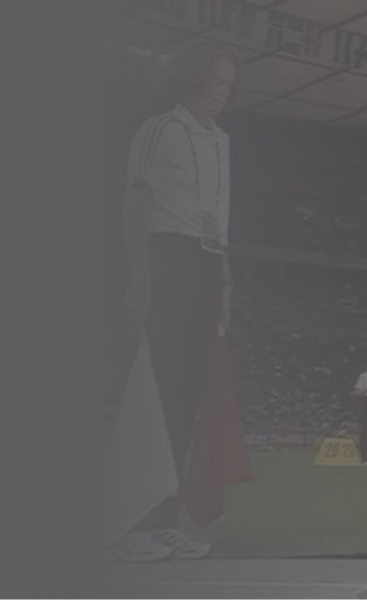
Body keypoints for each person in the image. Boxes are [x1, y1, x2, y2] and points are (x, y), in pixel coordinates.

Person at [114, 42, 237, 562]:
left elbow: (218, 216)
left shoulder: (222, 141)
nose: (224, 92)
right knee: (153, 389)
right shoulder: (159, 129)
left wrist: (225, 281)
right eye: (217, 81)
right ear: (192, 79)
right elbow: (135, 201)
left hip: (206, 263)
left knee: (185, 397)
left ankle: (163, 518)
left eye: (230, 85)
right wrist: (140, 278)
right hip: (166, 254)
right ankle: (127, 520)